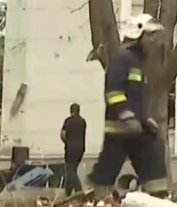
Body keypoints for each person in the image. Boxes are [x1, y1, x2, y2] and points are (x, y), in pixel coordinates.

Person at [88, 14, 170, 197]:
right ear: (137, 35)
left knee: (154, 165)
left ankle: (160, 201)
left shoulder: (139, 63)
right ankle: (93, 201)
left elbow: (137, 98)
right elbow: (113, 92)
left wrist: (145, 119)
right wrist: (126, 115)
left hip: (138, 129)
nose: (155, 41)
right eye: (151, 35)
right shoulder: (122, 58)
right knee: (106, 172)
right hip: (120, 130)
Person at [60, 103, 87, 195]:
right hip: (80, 149)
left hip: (70, 149)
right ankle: (68, 192)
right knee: (72, 169)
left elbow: (63, 134)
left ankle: (78, 190)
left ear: (70, 110)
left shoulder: (68, 121)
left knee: (70, 170)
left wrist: (66, 142)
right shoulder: (83, 121)